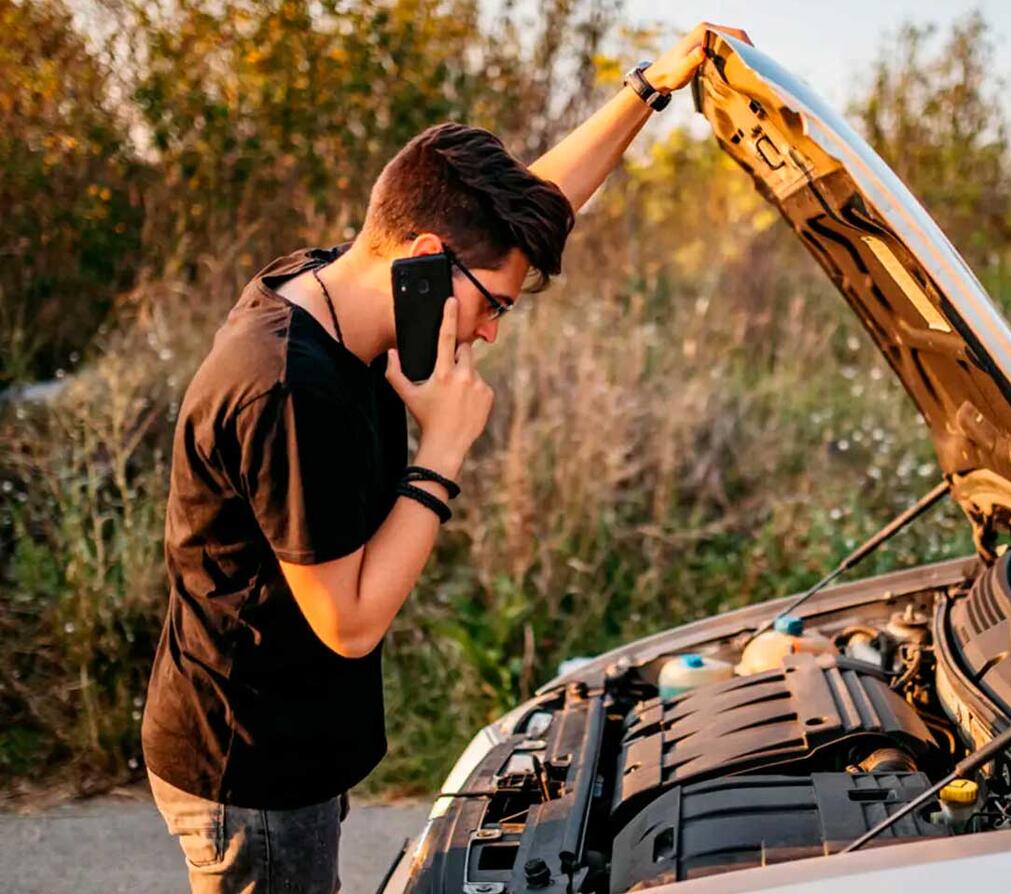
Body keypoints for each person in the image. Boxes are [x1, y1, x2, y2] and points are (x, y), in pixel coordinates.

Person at [141, 22, 751, 893]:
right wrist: (446, 449)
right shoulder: (286, 387)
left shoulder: (346, 283)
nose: (493, 330)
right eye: (495, 304)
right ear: (427, 260)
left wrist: (650, 90)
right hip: (252, 769)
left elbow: (532, 208)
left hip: (292, 736)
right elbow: (349, 624)